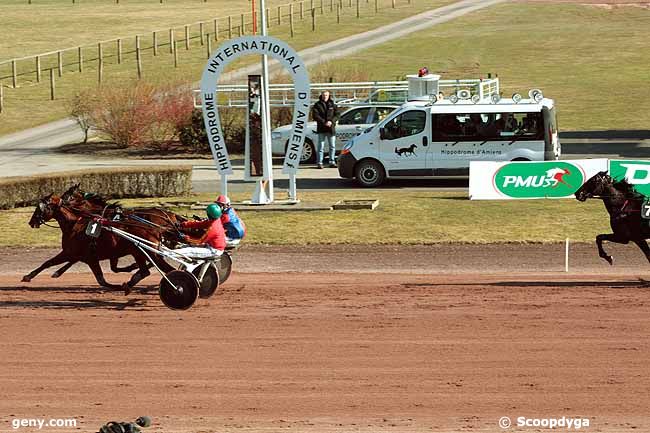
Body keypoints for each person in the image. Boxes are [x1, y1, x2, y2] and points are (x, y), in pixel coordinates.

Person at [311, 90, 339, 169]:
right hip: (321, 128)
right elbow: (315, 116)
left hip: (331, 128)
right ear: (321, 96)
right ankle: (320, 163)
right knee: (321, 147)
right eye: (323, 95)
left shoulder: (332, 104)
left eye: (326, 95)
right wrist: (324, 122)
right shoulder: (317, 105)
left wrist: (331, 121)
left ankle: (332, 162)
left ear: (329, 95)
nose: (325, 96)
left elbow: (337, 114)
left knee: (332, 146)